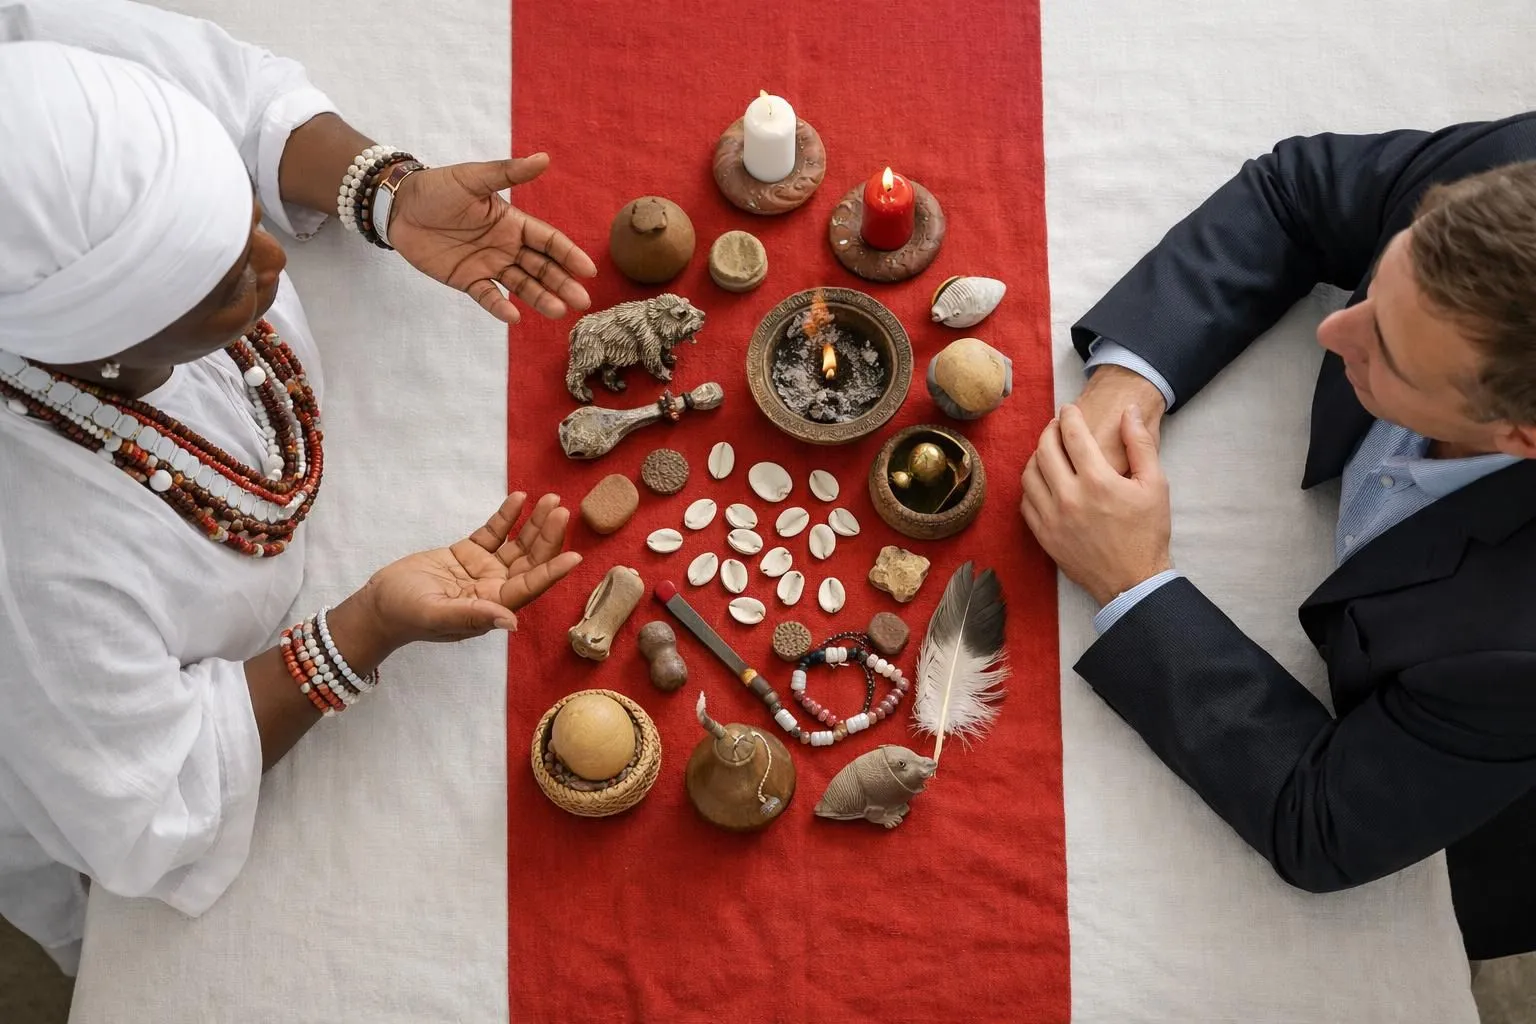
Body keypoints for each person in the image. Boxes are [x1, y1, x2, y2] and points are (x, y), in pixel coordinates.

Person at [0, 0, 599, 974]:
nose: (275, 258)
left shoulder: (36, 93)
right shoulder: (37, 568)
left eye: (243, 217)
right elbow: (150, 802)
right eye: (227, 278)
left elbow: (229, 98)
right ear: (104, 347)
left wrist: (388, 196)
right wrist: (361, 628)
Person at [1020, 112, 1536, 961]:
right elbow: (1296, 194)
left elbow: (1320, 820)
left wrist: (1134, 582)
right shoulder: (1509, 181)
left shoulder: (1521, 656)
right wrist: (1131, 380)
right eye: (1374, 287)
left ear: (1520, 434)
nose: (1335, 333)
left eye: (1389, 355)